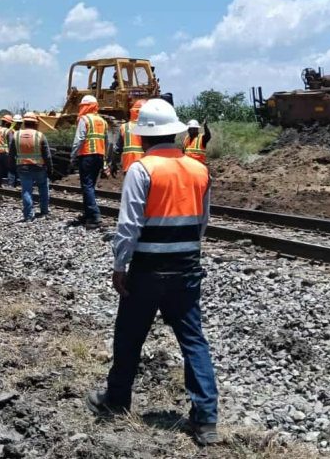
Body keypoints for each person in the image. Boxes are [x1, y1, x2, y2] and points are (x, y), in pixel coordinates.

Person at [88, 98, 219, 446]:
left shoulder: (142, 170)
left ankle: (117, 399)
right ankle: (206, 419)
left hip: (147, 270)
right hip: (186, 268)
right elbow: (203, 223)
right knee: (193, 340)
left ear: (143, 136)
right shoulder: (200, 170)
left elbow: (129, 225)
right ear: (174, 133)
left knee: (129, 336)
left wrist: (120, 265)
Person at [69, 95, 108, 228]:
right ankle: (88, 215)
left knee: (87, 186)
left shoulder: (84, 119)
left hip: (86, 156)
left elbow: (79, 139)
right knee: (90, 186)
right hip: (99, 157)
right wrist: (105, 162)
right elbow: (107, 142)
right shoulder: (103, 121)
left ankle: (95, 216)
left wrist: (72, 156)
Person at [9, 112, 52, 222]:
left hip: (22, 167)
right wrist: (50, 168)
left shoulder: (16, 135)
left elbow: (11, 154)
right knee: (43, 188)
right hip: (39, 167)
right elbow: (47, 155)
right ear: (35, 123)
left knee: (26, 190)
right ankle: (44, 211)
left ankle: (28, 216)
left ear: (24, 123)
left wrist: (12, 170)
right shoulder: (40, 135)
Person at [117, 99, 146, 173]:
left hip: (128, 164)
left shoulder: (124, 127)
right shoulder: (149, 127)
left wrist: (114, 163)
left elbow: (117, 149)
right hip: (145, 165)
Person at [8, 114, 24, 186]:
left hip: (19, 155)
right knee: (12, 172)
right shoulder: (11, 131)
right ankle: (11, 187)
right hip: (14, 155)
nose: (19, 125)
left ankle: (16, 186)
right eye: (18, 123)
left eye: (20, 123)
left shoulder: (19, 132)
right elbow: (10, 144)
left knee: (17, 172)